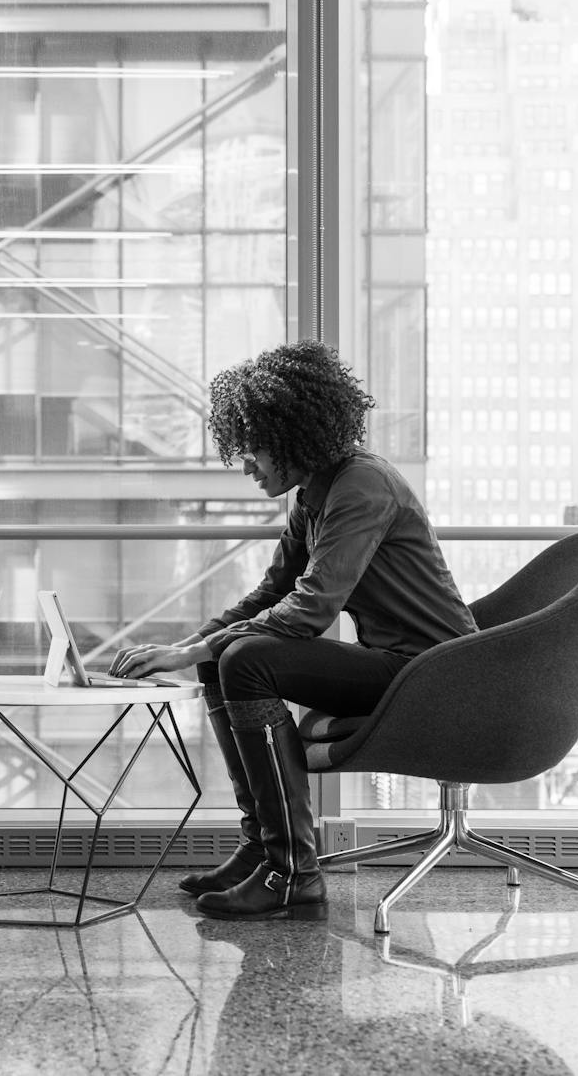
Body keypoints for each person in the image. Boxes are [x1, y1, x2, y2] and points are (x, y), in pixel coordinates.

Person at [111, 341, 476, 921]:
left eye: (253, 448)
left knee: (243, 659)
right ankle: (263, 849)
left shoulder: (363, 485)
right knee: (224, 657)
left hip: (435, 674)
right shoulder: (314, 495)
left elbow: (311, 609)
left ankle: (293, 871)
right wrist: (187, 649)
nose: (246, 464)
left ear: (290, 437)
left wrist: (201, 650)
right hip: (397, 665)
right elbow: (269, 596)